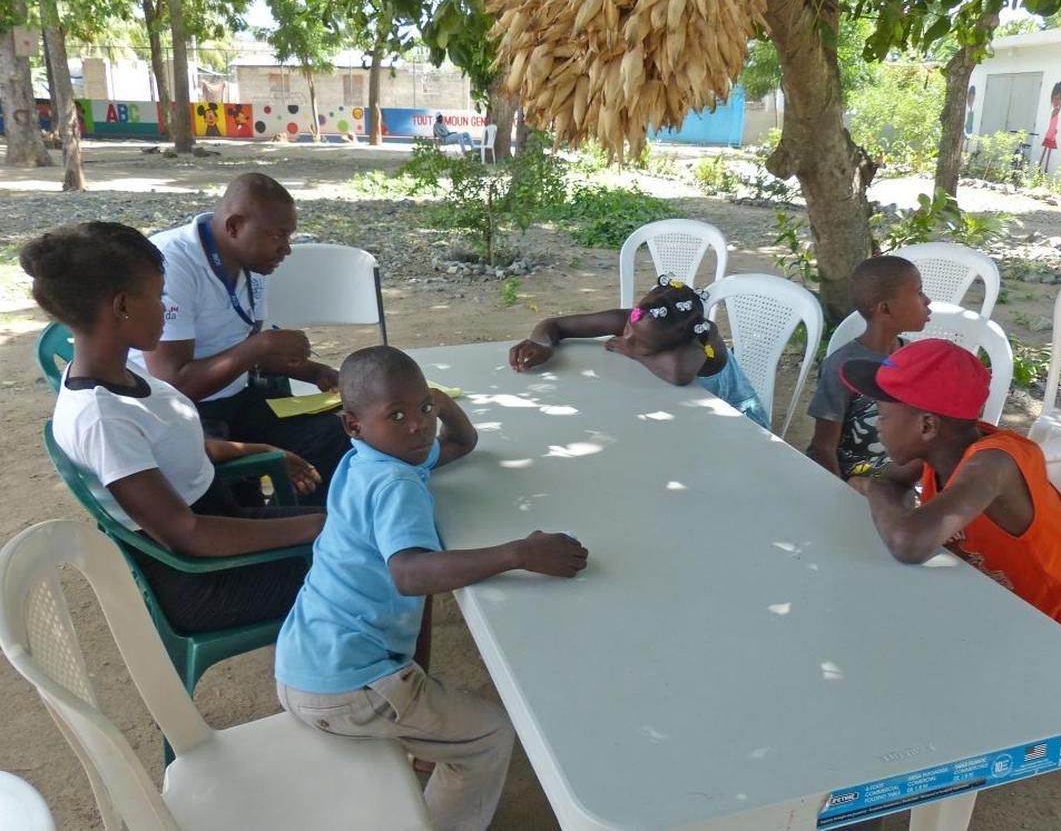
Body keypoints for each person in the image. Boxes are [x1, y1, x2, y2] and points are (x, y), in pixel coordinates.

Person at [275, 345, 587, 831]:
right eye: (397, 415)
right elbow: (411, 573)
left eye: (424, 408)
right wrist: (519, 554)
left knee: (441, 713)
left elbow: (462, 442)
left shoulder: (370, 460)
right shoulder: (395, 483)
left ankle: (423, 744)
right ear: (354, 424)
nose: (419, 426)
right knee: (489, 734)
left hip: (307, 663)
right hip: (350, 688)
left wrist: (444, 405)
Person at [21, 221, 325, 634]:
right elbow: (186, 534)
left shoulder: (118, 372)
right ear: (122, 306)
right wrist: (316, 528)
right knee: (374, 566)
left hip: (223, 526)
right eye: (159, 296)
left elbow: (175, 445)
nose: (167, 308)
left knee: (367, 535)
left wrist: (256, 450)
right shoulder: (102, 419)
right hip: (205, 580)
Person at [840, 338, 1061, 636]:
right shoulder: (940, 449)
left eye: (882, 415)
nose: (877, 425)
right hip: (990, 613)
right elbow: (891, 482)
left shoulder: (993, 465)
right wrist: (881, 487)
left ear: (927, 425)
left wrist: (873, 489)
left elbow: (908, 542)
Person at [134, 172, 348, 502]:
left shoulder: (252, 265)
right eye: (278, 235)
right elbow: (173, 382)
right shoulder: (173, 263)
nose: (287, 249)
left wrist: (314, 372)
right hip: (180, 412)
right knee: (228, 493)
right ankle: (285, 524)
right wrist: (261, 346)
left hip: (236, 397)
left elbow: (247, 352)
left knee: (338, 431)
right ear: (234, 226)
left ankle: (302, 520)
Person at [509, 275, 770, 428]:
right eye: (628, 329)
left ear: (676, 343)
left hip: (740, 424)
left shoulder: (704, 337)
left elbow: (678, 374)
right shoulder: (643, 321)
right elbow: (555, 325)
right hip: (685, 417)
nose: (626, 337)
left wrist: (631, 351)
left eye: (640, 343)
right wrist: (543, 344)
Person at [807, 256, 930, 482]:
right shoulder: (842, 366)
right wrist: (841, 494)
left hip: (893, 484)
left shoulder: (915, 358)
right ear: (885, 309)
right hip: (845, 484)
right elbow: (823, 447)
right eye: (919, 292)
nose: (927, 300)